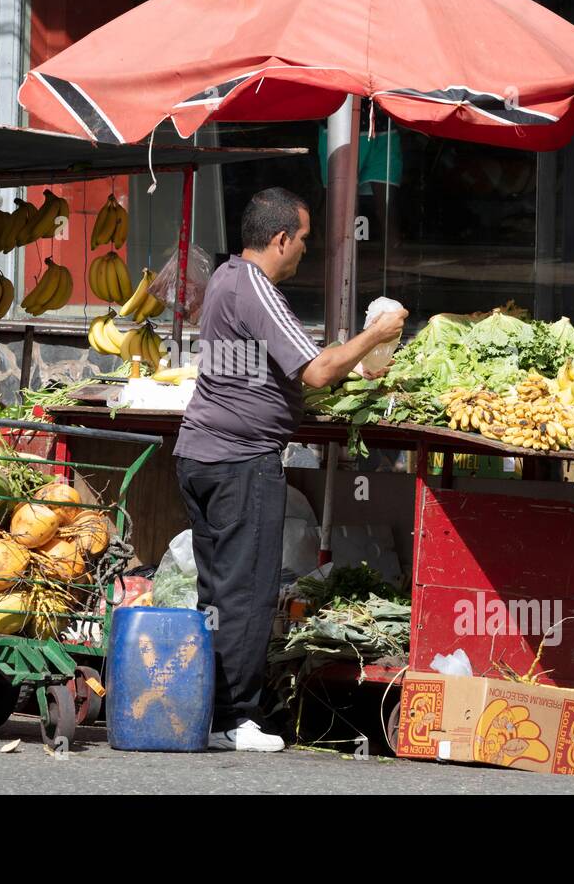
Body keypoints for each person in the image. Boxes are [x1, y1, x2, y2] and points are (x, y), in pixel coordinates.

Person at [174, 187, 408, 751]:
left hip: (200, 454)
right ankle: (236, 719)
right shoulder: (257, 287)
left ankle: (211, 706)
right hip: (239, 461)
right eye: (303, 239)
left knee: (217, 591)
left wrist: (351, 367)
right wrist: (375, 335)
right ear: (280, 238)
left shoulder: (226, 280)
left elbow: (269, 367)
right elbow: (317, 371)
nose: (306, 250)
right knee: (248, 592)